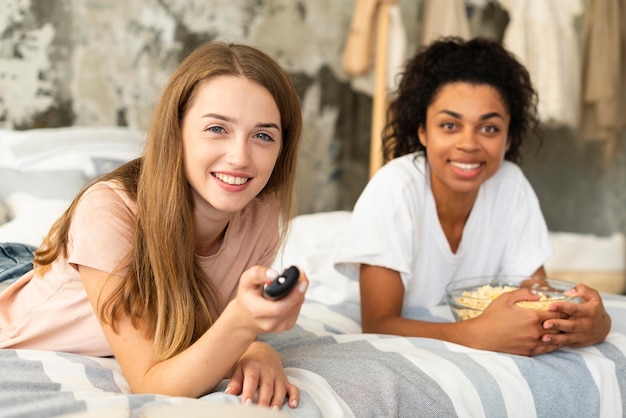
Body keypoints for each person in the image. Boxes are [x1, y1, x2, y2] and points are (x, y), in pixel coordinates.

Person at [0, 41, 309, 409]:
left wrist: (258, 350)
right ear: (175, 133)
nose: (240, 157)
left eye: (262, 135)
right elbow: (152, 382)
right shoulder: (107, 210)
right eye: (216, 129)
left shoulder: (260, 216)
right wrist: (244, 327)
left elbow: (199, 333)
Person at [334, 37, 611, 357]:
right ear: (423, 131)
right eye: (450, 125)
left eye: (489, 129)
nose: (469, 144)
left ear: (509, 138)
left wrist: (597, 324)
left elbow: (536, 297)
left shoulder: (510, 185)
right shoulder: (394, 188)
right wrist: (476, 334)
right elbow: (378, 324)